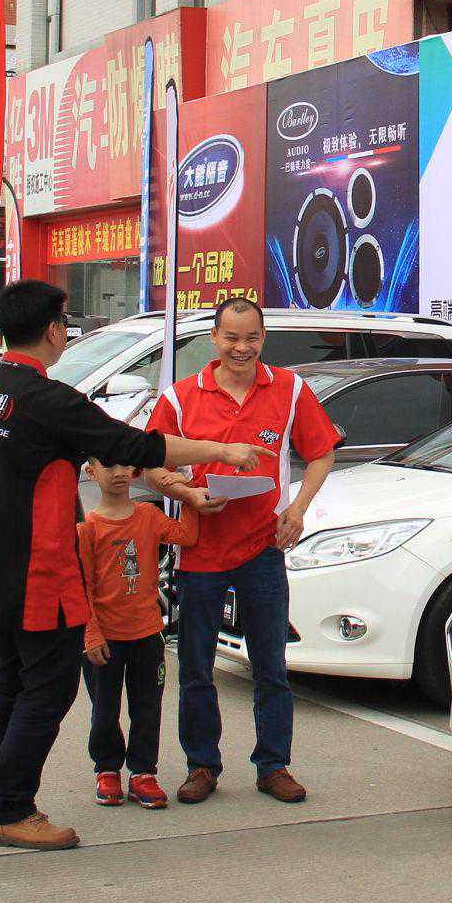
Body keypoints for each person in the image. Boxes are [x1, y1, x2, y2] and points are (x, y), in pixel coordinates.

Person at [0, 280, 262, 850]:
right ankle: (11, 807)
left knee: (6, 683)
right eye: (65, 323)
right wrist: (221, 450)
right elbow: (137, 446)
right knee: (45, 692)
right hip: (40, 576)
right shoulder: (48, 400)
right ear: (53, 330)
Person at [144, 297, 340, 805]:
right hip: (199, 551)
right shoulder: (181, 397)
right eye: (231, 337)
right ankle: (201, 765)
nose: (241, 348)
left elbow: (321, 453)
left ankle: (273, 765)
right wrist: (186, 494)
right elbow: (150, 462)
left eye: (251, 338)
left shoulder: (290, 389)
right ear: (214, 338)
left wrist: (297, 509)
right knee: (196, 666)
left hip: (263, 547)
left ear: (263, 338)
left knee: (271, 665)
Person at [77, 460, 199, 810]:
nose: (118, 473)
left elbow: (187, 536)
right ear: (91, 472)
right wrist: (91, 634)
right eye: (107, 466)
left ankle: (143, 772)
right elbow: (81, 587)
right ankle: (107, 769)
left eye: (125, 466)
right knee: (105, 709)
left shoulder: (148, 515)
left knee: (147, 708)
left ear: (135, 472)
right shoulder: (88, 528)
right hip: (104, 640)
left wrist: (187, 494)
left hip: (147, 634)